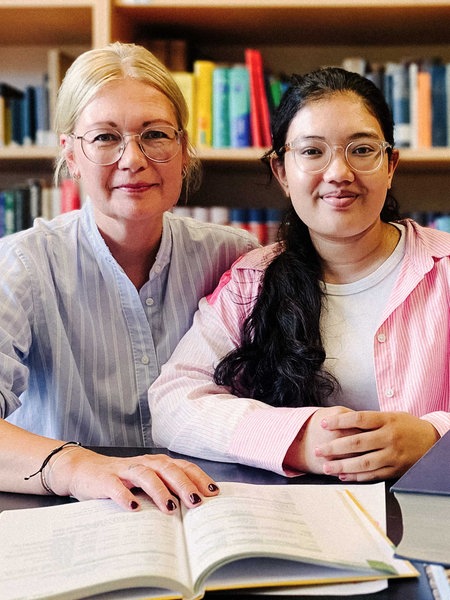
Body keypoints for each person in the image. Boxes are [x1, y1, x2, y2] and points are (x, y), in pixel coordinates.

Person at [150, 67, 450, 482]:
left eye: (362, 150)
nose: (339, 173)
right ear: (281, 171)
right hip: (292, 521)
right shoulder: (251, 281)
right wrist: (295, 439)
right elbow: (173, 401)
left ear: (391, 164)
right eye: (312, 152)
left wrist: (434, 437)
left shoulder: (445, 271)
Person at [0, 42, 258, 512]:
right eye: (104, 137)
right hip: (70, 514)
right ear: (70, 155)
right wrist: (76, 466)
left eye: (155, 134)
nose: (132, 159)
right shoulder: (22, 265)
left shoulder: (236, 258)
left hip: (210, 511)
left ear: (183, 149)